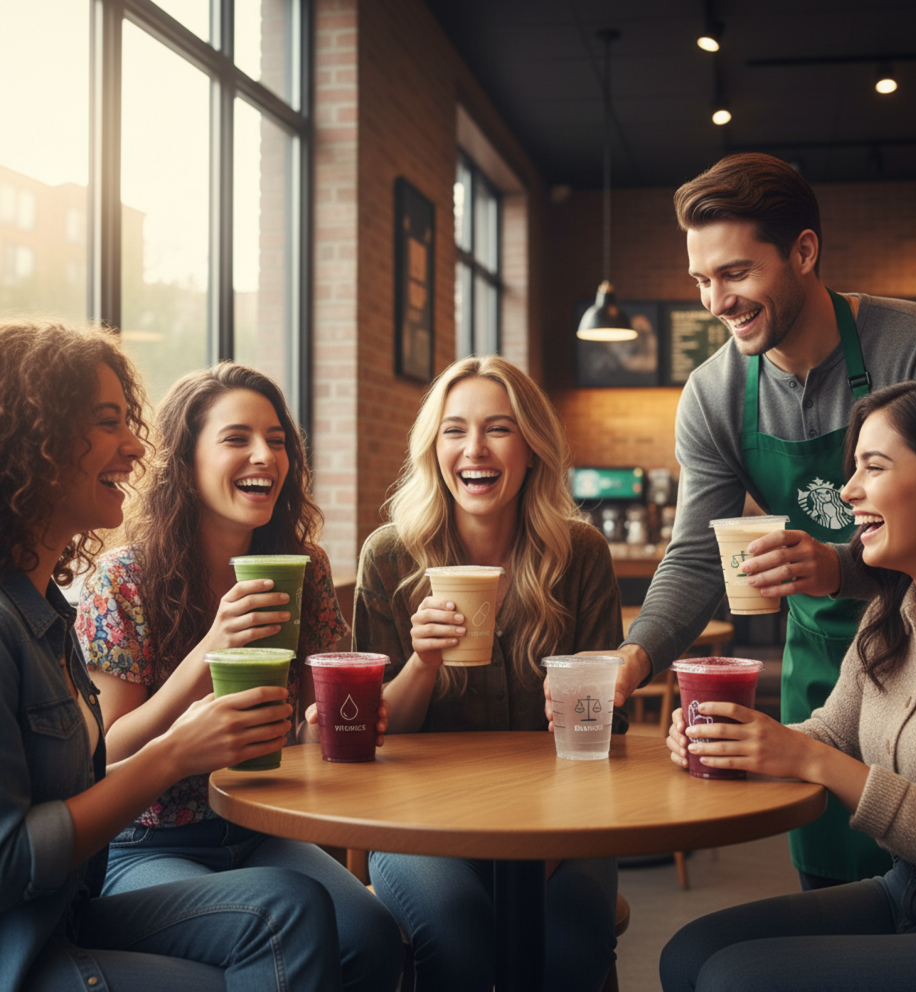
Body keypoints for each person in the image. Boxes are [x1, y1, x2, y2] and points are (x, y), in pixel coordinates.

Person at [600, 152, 916, 888]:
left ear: (804, 252)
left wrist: (841, 566)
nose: (716, 300)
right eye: (701, 280)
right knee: (835, 886)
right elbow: (694, 559)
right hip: (825, 667)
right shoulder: (713, 394)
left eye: (737, 273)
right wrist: (634, 655)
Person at [0, 319, 344, 992]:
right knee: (287, 927)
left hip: (87, 895)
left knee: (334, 922)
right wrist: (183, 736)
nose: (135, 445)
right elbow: (17, 855)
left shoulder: (46, 612)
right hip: (84, 894)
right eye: (107, 422)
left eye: (277, 441)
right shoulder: (110, 584)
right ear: (28, 442)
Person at [659, 377, 916, 992]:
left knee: (735, 978)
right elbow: (831, 732)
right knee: (689, 951)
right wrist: (733, 739)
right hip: (906, 888)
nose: (848, 492)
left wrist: (813, 759)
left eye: (873, 468)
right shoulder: (894, 609)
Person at [74, 362, 403, 992]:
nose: (264, 455)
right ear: (184, 460)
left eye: (277, 440)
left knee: (371, 937)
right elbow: (104, 752)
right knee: (280, 927)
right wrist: (207, 651)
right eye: (236, 438)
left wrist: (334, 726)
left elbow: (307, 740)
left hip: (266, 826)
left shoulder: (305, 566)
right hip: (149, 844)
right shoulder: (124, 579)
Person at [336, 354, 624, 992]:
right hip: (420, 818)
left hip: (562, 816)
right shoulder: (389, 557)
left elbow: (612, 725)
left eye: (500, 428)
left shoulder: (580, 554)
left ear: (531, 447)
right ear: (434, 448)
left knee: (569, 948)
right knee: (457, 934)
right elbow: (378, 734)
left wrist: (580, 708)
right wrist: (423, 662)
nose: (476, 448)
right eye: (454, 429)